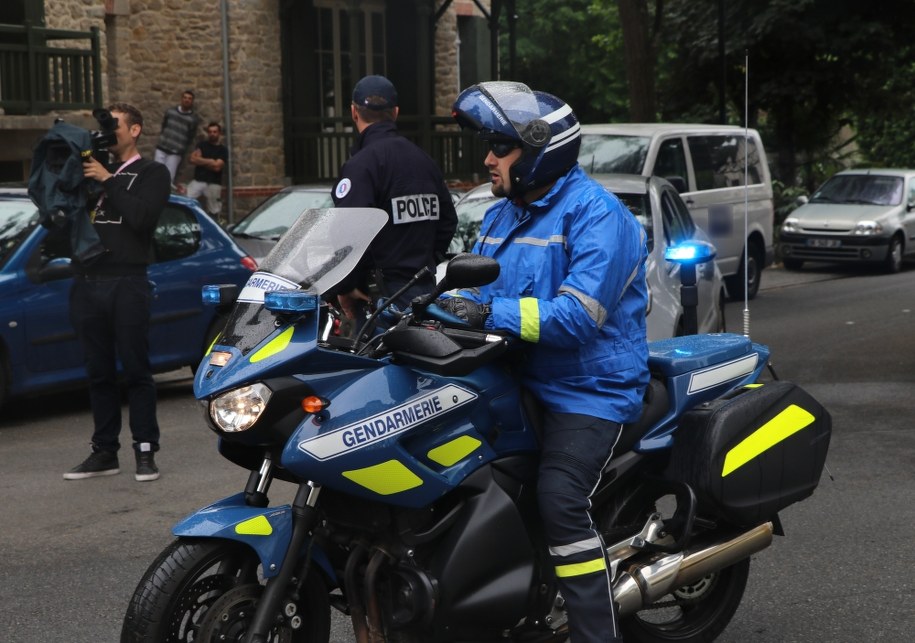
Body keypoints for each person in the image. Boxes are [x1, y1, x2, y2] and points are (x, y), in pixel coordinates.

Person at [444, 81, 650, 642]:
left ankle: (594, 633)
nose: (488, 160)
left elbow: (577, 318)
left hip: (589, 388)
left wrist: (486, 313)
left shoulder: (599, 216)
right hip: (514, 378)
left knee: (559, 499)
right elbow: (469, 289)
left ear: (539, 152)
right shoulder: (502, 216)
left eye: (500, 147)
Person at [64, 102, 171, 482]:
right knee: (98, 372)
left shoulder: (152, 172)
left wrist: (108, 179)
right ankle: (104, 451)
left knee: (136, 369)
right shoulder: (93, 169)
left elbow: (142, 218)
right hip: (88, 281)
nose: (110, 134)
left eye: (116, 126)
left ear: (135, 130)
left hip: (128, 280)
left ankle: (145, 450)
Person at [331, 74, 457, 328]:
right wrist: (423, 262)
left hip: (380, 301)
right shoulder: (424, 161)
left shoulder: (362, 165)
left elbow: (349, 233)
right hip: (424, 294)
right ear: (396, 113)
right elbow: (448, 222)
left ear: (354, 112)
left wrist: (346, 286)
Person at [154, 89, 201, 186]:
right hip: (162, 147)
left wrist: (182, 147)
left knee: (168, 178)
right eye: (185, 98)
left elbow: (191, 135)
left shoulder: (193, 119)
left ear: (192, 101)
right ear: (181, 99)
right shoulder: (171, 112)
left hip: (176, 152)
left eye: (189, 99)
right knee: (155, 174)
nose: (187, 100)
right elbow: (164, 125)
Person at [186, 121, 228, 218]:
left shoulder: (223, 150)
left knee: (214, 210)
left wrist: (200, 161)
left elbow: (217, 167)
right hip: (198, 180)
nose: (212, 134)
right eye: (210, 132)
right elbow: (192, 159)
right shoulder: (201, 145)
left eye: (214, 132)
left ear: (219, 133)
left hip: (214, 183)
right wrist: (211, 161)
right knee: (186, 200)